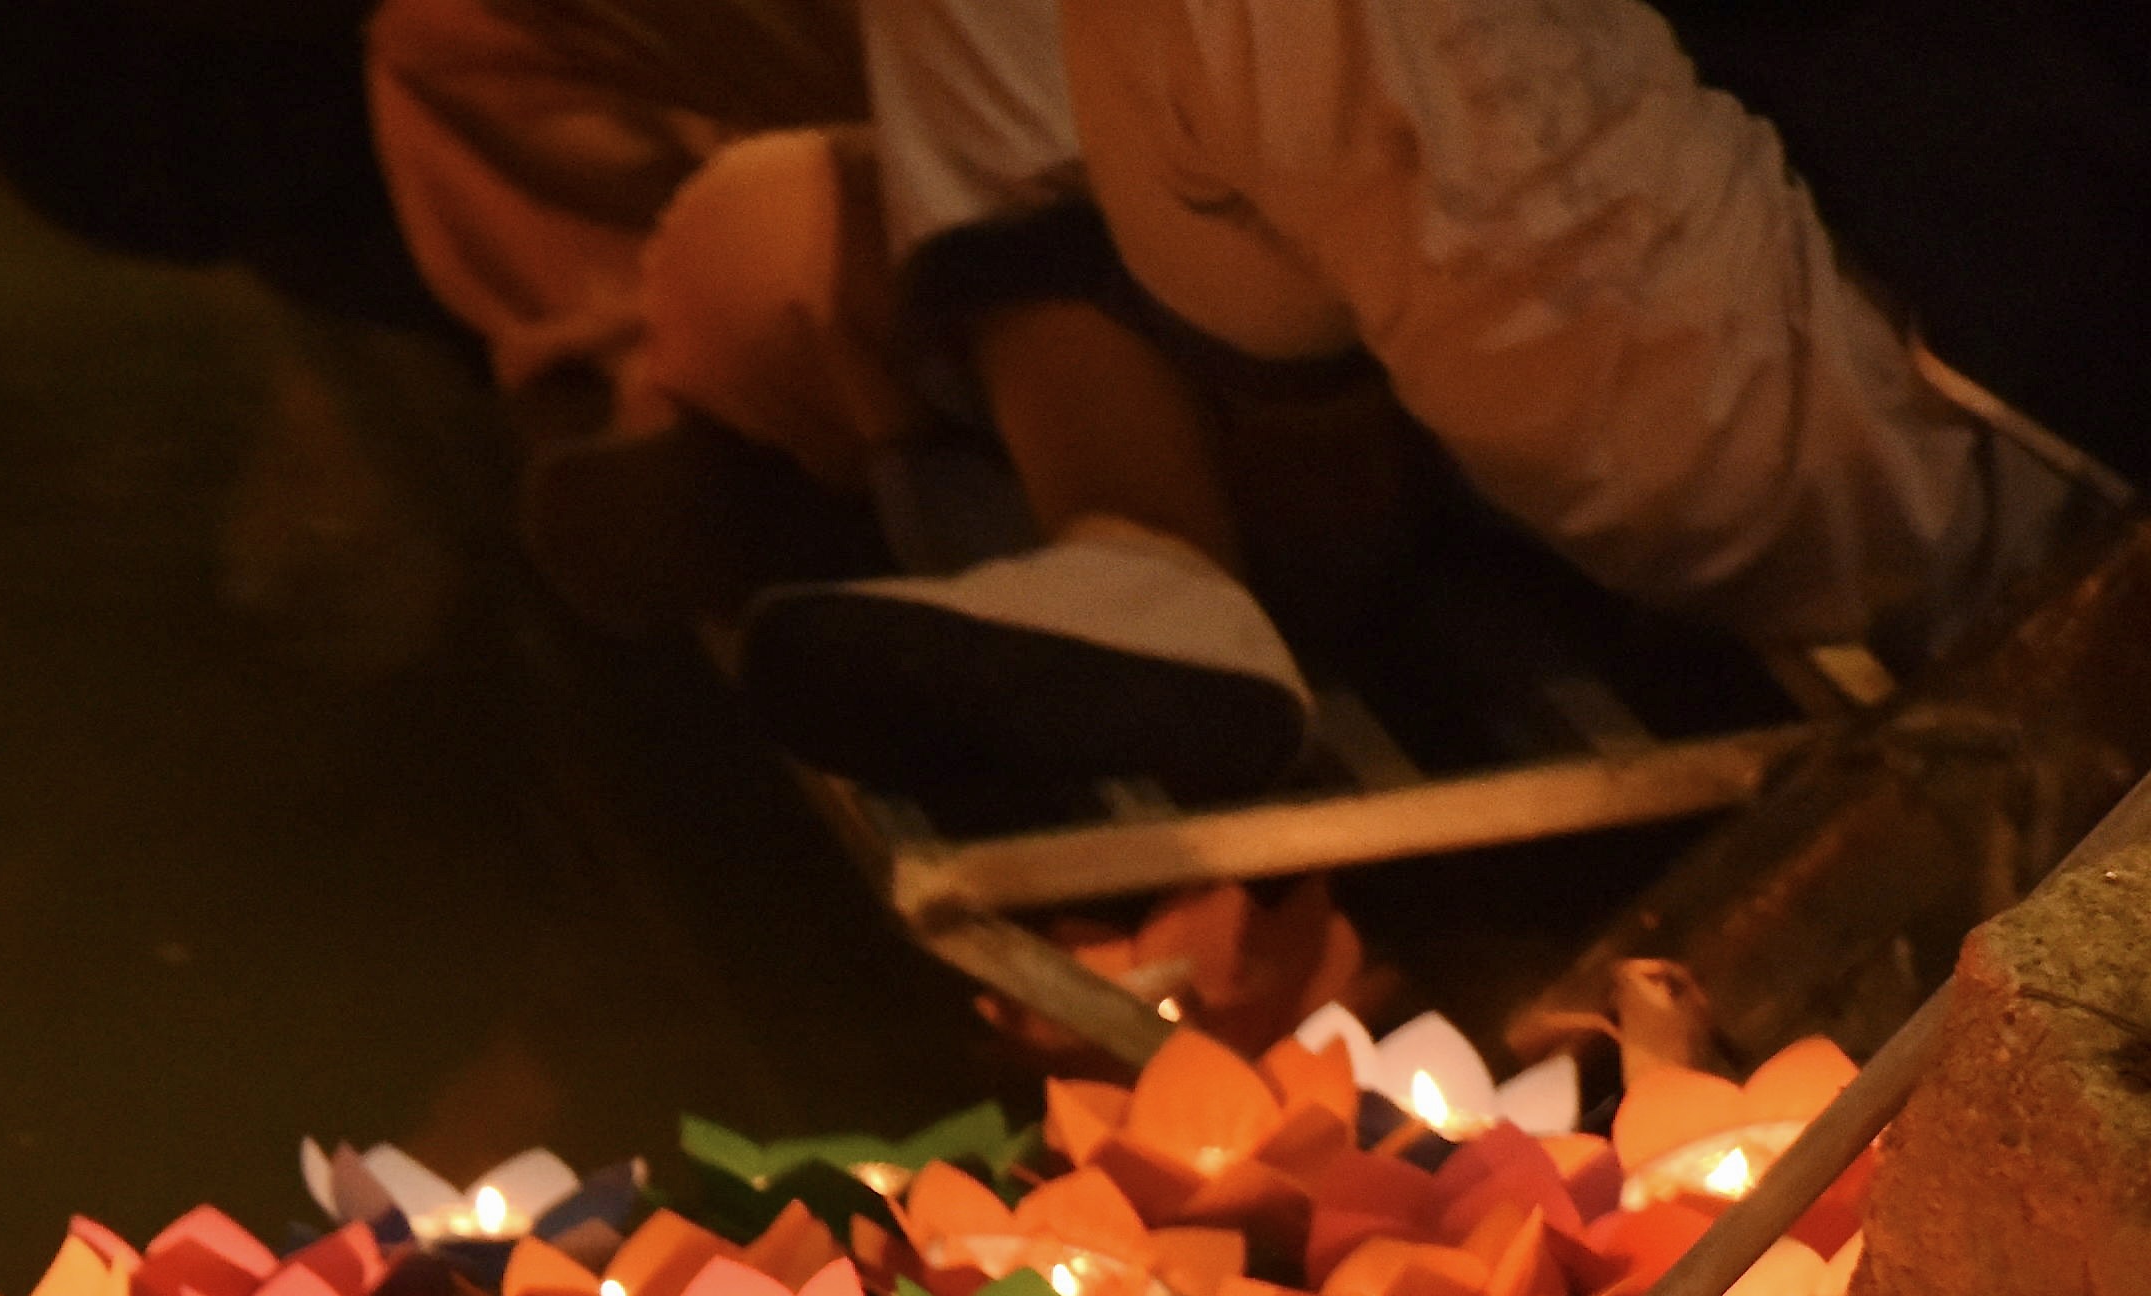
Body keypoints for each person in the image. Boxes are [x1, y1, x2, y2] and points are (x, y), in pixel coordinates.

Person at [734, 0, 2151, 799]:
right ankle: (1151, 556)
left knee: (771, 239)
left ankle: (1303, 473)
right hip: (1647, 279)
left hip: (1927, 366)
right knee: (751, 228)